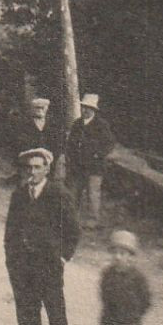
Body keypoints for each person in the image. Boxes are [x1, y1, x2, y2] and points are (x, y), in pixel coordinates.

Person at [2, 147, 81, 325]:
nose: (32, 172)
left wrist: (63, 256)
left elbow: (73, 230)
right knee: (27, 311)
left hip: (48, 265)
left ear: (47, 169)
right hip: (23, 265)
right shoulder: (19, 194)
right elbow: (10, 230)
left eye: (37, 167)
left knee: (55, 312)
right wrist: (11, 258)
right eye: (29, 167)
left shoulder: (58, 193)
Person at [65, 93, 117, 227]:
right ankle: (71, 218)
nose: (85, 110)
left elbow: (109, 143)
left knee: (92, 193)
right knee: (74, 191)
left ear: (94, 110)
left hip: (94, 166)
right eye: (83, 107)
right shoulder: (77, 124)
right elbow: (70, 142)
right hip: (77, 165)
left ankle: (92, 220)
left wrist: (97, 154)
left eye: (89, 108)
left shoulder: (101, 125)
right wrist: (70, 158)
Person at [9, 97, 61, 174]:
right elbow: (20, 141)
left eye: (42, 108)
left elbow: (56, 141)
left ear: (46, 109)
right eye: (37, 108)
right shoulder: (25, 123)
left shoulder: (52, 124)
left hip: (48, 156)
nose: (39, 110)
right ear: (32, 109)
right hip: (30, 154)